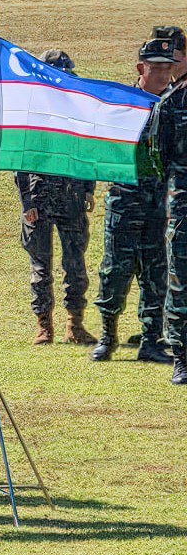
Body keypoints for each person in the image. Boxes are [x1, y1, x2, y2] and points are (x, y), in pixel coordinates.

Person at [92, 39, 176, 364]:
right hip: (125, 200)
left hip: (160, 202)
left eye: (167, 68)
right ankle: (107, 337)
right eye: (156, 68)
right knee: (115, 272)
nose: (163, 75)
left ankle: (151, 342)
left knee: (157, 275)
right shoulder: (123, 105)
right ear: (141, 68)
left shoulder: (175, 107)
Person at [14, 50, 98, 346]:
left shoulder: (78, 112)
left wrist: (89, 187)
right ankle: (44, 325)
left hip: (71, 195)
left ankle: (74, 324)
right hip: (39, 197)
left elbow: (87, 151)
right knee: (41, 264)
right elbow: (19, 161)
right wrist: (27, 203)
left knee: (75, 262)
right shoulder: (30, 116)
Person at [151, 30, 187, 385]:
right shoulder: (172, 102)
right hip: (184, 207)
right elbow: (159, 159)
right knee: (180, 282)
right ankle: (182, 356)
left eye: (177, 57)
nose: (172, 66)